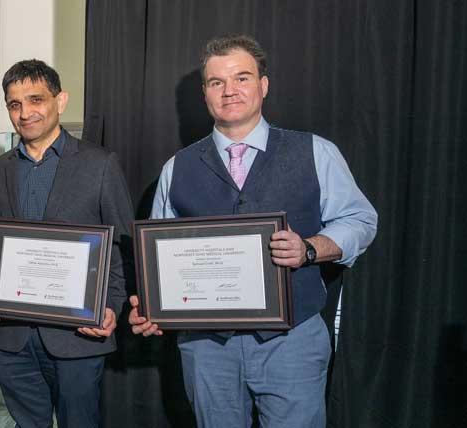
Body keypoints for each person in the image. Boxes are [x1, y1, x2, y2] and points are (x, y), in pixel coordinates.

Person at [128, 34, 378, 427]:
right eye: (216, 82)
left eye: (242, 78)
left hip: (292, 340)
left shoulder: (315, 151)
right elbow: (159, 254)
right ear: (205, 94)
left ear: (263, 85)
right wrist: (153, 306)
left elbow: (361, 221)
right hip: (206, 345)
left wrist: (310, 249)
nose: (230, 91)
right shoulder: (177, 167)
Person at [0, 59, 133, 428]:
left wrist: (110, 306)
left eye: (35, 99)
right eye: (14, 104)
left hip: (76, 336)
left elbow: (122, 247)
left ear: (60, 101)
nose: (25, 112)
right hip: (11, 336)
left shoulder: (100, 164)